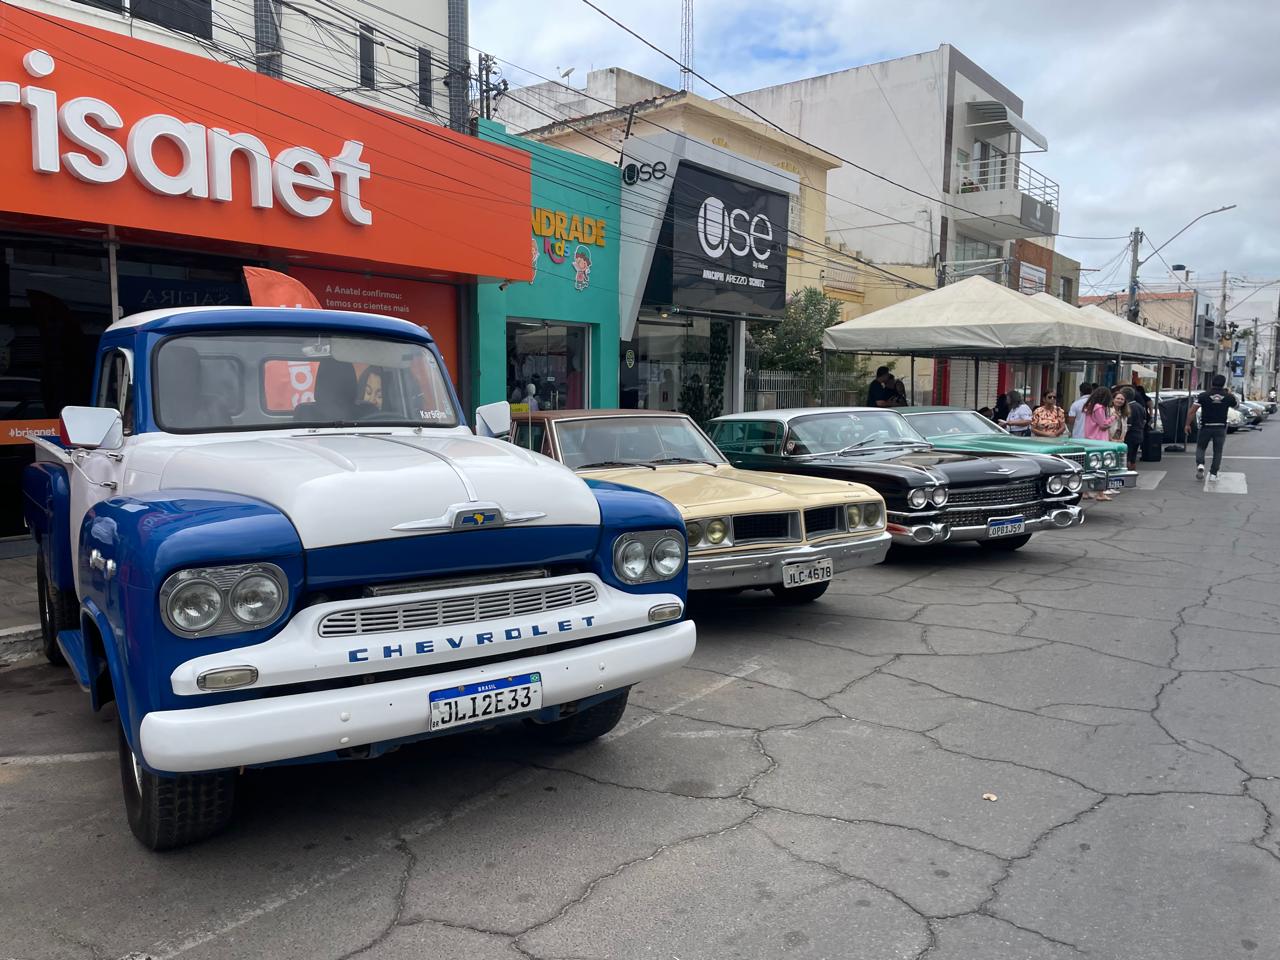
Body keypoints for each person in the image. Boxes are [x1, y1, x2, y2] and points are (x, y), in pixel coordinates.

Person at [1186, 374, 1238, 482]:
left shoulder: (1203, 395)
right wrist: (1229, 393)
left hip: (1206, 426)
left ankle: (1200, 464)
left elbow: (1192, 411)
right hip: (1220, 427)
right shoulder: (1228, 396)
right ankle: (1213, 474)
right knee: (1217, 451)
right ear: (1223, 384)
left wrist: (1187, 424)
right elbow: (1236, 405)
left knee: (1200, 448)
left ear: (1211, 382)